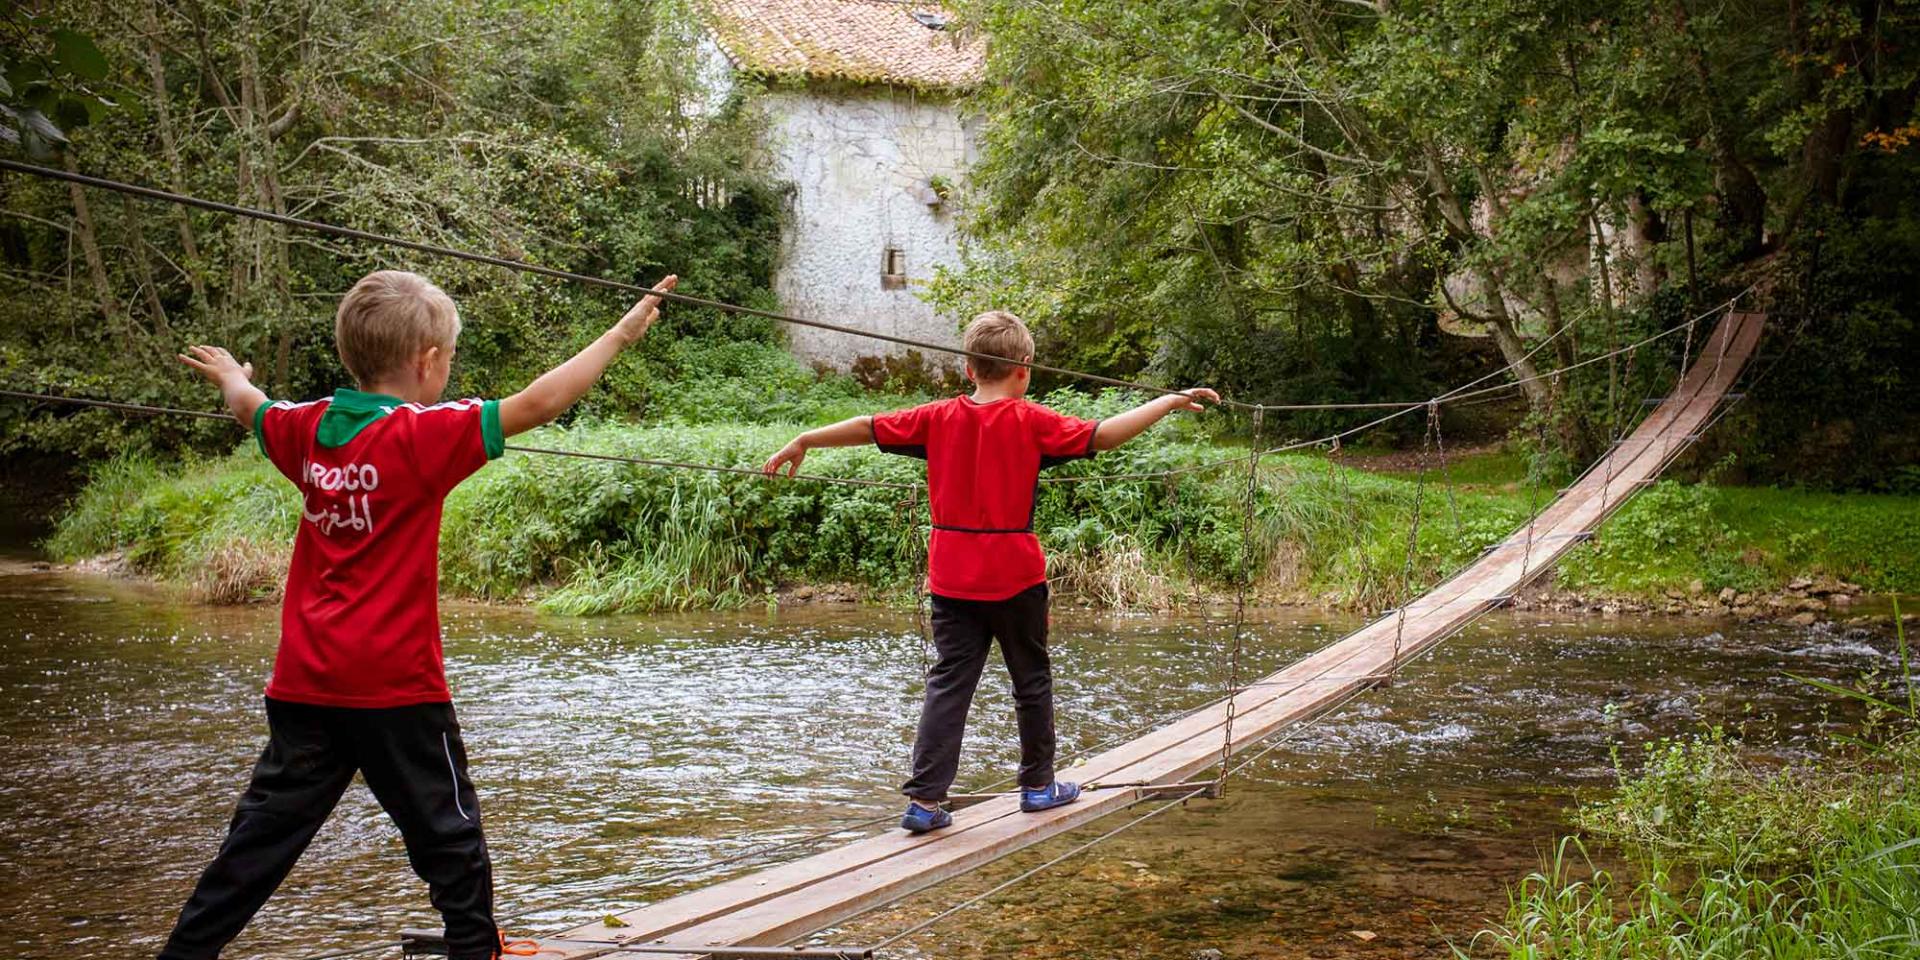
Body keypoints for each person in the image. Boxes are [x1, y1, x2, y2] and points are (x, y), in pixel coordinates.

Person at [162, 268, 678, 960]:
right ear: (427, 362)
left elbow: (248, 404)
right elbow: (539, 403)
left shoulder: (305, 428)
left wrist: (229, 370)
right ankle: (473, 949)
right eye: (449, 360)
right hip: (394, 687)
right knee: (449, 837)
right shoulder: (421, 436)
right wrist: (621, 331)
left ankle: (183, 954)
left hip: (305, 684)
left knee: (257, 843)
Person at [764, 310, 1217, 833]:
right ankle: (1039, 787)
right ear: (1023, 369)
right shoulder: (1033, 421)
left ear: (968, 369)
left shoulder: (935, 419)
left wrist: (805, 439)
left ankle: (925, 803)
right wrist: (1165, 401)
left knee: (950, 683)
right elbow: (1104, 435)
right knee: (1031, 680)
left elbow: (868, 427)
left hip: (952, 576)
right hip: (1015, 577)